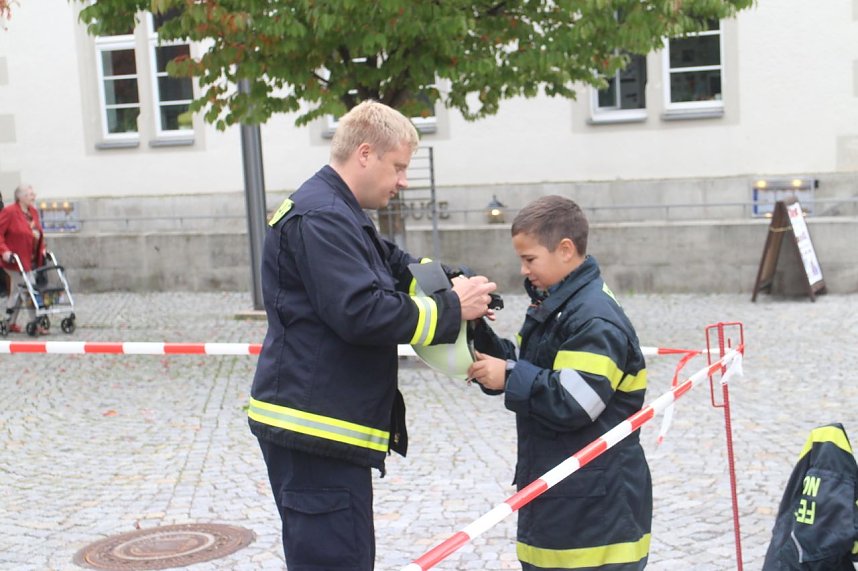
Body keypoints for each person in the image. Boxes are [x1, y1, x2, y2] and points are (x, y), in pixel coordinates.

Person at [248, 100, 497, 570]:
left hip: (323, 429)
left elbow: (397, 266)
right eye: (399, 167)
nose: (403, 180)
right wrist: (450, 308)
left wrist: (458, 282)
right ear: (365, 153)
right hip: (313, 433)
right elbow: (361, 312)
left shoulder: (339, 210)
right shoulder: (322, 216)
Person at [467, 195, 652, 571]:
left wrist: (510, 376)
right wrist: (475, 328)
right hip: (568, 497)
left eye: (530, 259)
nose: (523, 270)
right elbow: (530, 367)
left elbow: (575, 401)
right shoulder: (559, 306)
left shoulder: (593, 318)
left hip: (596, 518)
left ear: (565, 250)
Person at [0, 183, 47, 334]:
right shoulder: (10, 212)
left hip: (29, 259)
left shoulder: (33, 212)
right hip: (14, 260)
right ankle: (36, 322)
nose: (33, 196)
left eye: (33, 193)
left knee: (17, 291)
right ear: (20, 197)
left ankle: (9, 322)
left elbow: (37, 233)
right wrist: (5, 251)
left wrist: (42, 247)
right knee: (29, 287)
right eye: (29, 194)